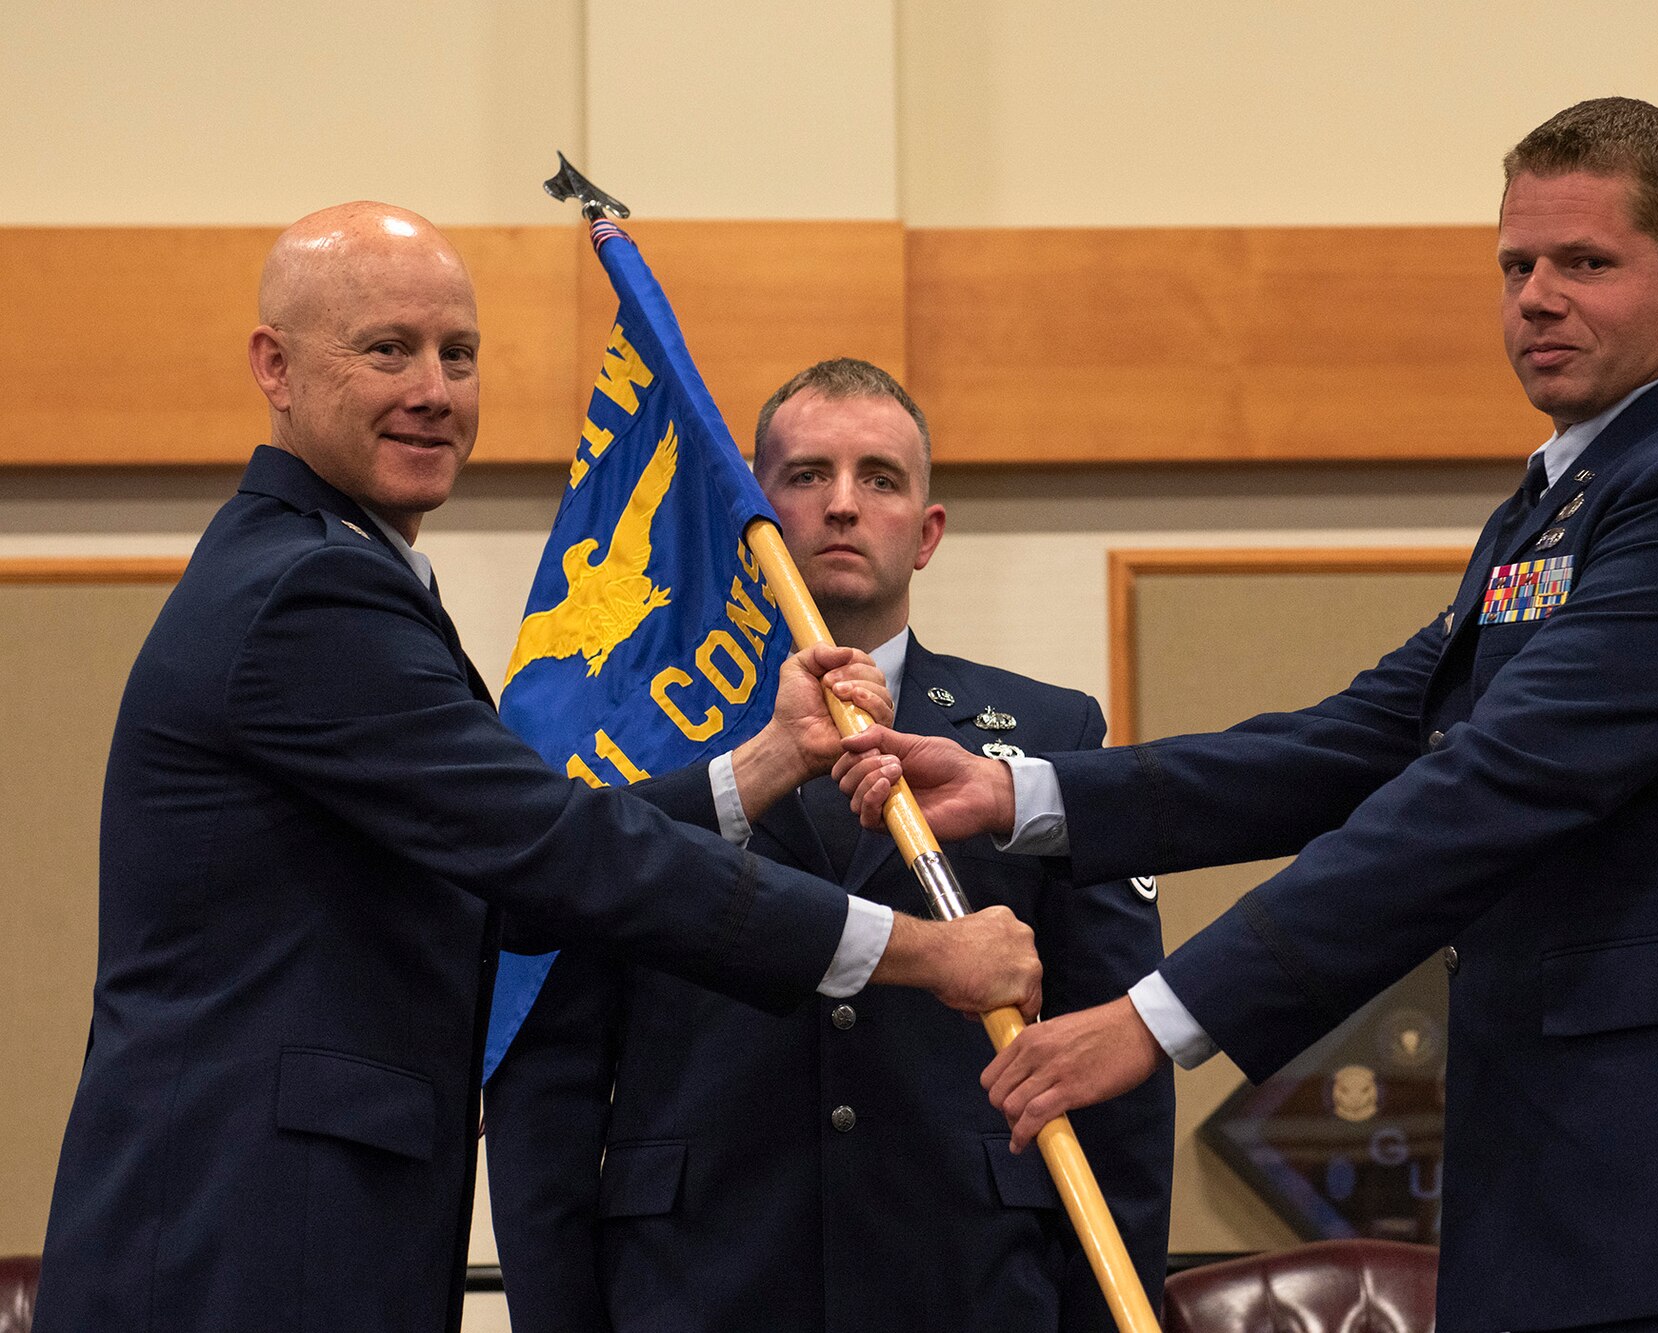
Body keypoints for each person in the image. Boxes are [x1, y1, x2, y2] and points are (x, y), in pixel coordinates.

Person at [838, 100, 1658, 1332]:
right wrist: (1026, 791)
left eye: (1582, 262)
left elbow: (1493, 783)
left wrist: (1161, 1018)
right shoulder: (1559, 502)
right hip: (1589, 1187)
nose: (1533, 296)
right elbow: (1359, 739)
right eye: (1514, 265)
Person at [33, 207, 1040, 1333]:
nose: (433, 389)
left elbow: (507, 871)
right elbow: (560, 852)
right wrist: (916, 950)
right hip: (242, 1246)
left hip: (287, 1232)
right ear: (273, 365)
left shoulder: (336, 572)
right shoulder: (308, 596)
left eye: (457, 355)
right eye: (386, 350)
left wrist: (762, 764)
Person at [485, 358, 1174, 1332]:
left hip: (964, 1283)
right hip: (697, 1284)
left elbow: (1115, 1066)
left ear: (926, 532)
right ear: (750, 517)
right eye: (805, 476)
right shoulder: (641, 749)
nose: (841, 505)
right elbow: (549, 1076)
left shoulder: (1046, 734)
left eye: (879, 478)